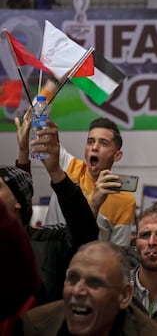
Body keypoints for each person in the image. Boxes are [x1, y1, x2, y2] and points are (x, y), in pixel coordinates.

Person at [11, 117, 101, 304]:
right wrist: (23, 151)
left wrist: (56, 172)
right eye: (90, 141)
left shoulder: (43, 242)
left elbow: (84, 233)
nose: (94, 147)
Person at [13, 241, 157, 335]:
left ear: (124, 295)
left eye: (94, 282)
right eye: (73, 278)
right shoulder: (31, 326)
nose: (77, 291)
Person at [44, 117, 135, 247]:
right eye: (90, 142)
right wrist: (44, 97)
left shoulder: (125, 201)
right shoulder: (69, 167)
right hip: (48, 261)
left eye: (103, 143)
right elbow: (38, 129)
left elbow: (118, 255)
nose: (94, 147)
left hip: (86, 265)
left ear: (117, 155)